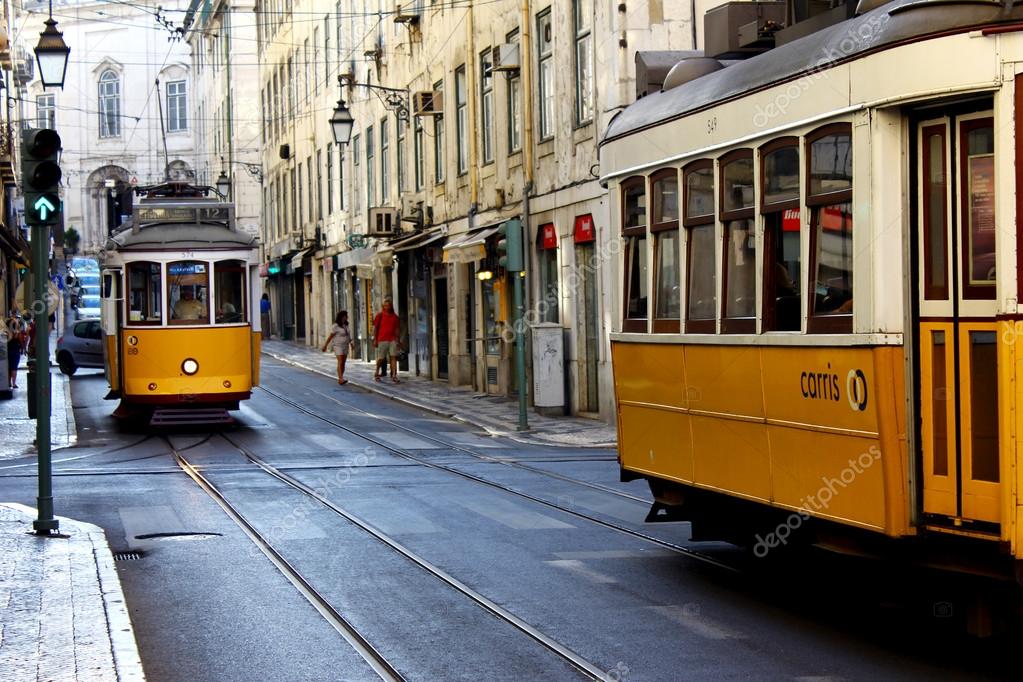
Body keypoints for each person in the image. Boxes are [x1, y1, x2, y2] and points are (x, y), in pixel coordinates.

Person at [372, 297, 401, 383]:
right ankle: (377, 371)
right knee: (381, 358)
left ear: (391, 306)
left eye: (388, 306)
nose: (386, 307)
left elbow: (397, 329)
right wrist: (375, 339)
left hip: (392, 339)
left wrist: (398, 340)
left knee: (393, 357)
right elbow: (375, 328)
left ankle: (394, 375)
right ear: (383, 306)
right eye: (385, 306)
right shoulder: (379, 316)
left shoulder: (395, 317)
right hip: (382, 339)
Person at [322, 311, 353, 385]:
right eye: (345, 316)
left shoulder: (346, 325)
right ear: (341, 317)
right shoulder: (335, 326)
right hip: (337, 345)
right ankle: (340, 378)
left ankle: (341, 377)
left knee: (343, 363)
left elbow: (348, 336)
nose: (346, 317)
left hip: (345, 345)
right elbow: (331, 336)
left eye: (346, 316)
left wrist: (351, 344)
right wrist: (325, 345)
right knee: (340, 361)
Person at [6, 312, 25, 389]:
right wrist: (22, 348)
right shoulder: (17, 333)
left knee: (9, 367)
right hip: (15, 350)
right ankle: (13, 383)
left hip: (8, 350)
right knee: (14, 367)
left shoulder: (7, 332)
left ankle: (8, 383)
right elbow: (20, 340)